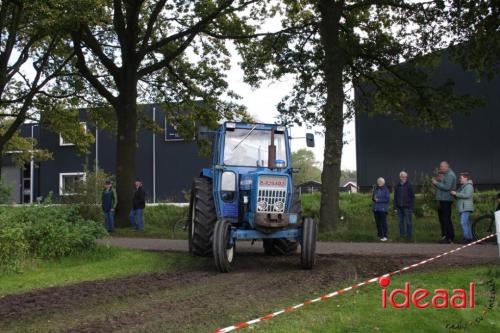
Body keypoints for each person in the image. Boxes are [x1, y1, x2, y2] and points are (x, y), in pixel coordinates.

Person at [431, 161, 457, 243]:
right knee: (443, 219)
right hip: (442, 200)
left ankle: (449, 237)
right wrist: (437, 181)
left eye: (442, 167)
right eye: (440, 166)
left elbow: (447, 187)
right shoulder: (445, 174)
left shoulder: (450, 175)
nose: (440, 168)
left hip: (446, 200)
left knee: (446, 219)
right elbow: (442, 184)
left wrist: (436, 183)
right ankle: (445, 236)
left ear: (447, 166)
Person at [451, 173, 474, 243]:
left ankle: (467, 238)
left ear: (466, 178)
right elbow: (460, 195)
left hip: (465, 207)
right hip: (463, 207)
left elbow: (467, 195)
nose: (460, 179)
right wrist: (455, 194)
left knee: (463, 222)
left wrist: (456, 194)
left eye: (461, 178)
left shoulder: (469, 186)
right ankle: (470, 238)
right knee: (466, 223)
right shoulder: (463, 186)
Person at [394, 171, 415, 240]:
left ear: (406, 177)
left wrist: (412, 207)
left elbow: (412, 197)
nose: (403, 178)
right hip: (399, 207)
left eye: (405, 176)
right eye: (402, 176)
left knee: (408, 222)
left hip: (408, 207)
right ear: (400, 177)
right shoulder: (397, 186)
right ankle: (402, 236)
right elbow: (395, 197)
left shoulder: (409, 185)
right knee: (400, 222)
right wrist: (395, 207)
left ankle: (409, 236)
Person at [372, 177, 390, 242]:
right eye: (378, 181)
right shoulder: (375, 189)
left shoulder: (386, 190)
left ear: (383, 183)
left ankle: (385, 236)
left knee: (383, 223)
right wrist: (374, 198)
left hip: (383, 209)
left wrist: (378, 200)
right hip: (376, 209)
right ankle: (380, 235)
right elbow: (373, 198)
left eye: (380, 182)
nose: (379, 183)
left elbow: (387, 199)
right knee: (378, 223)